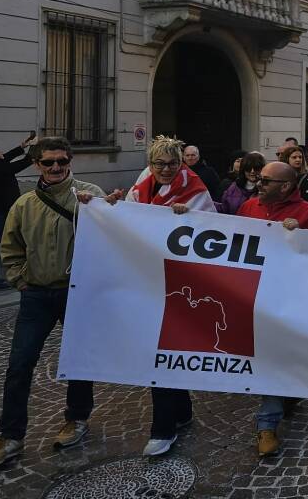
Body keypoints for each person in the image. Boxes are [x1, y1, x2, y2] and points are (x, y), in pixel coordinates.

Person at [0, 138, 118, 468]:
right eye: (47, 162)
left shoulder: (89, 193)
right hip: (37, 295)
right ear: (37, 164)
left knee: (79, 360)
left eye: (61, 161)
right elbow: (9, 246)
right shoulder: (25, 203)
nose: (55, 167)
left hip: (77, 294)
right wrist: (19, 279)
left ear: (69, 161)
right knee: (19, 365)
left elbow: (114, 235)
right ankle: (10, 436)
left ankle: (77, 418)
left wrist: (102, 208)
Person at [126, 136, 215, 456]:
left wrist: (187, 219)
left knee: (163, 350)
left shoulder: (196, 190)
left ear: (182, 163)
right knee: (159, 349)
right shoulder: (142, 188)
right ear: (150, 165)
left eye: (172, 163)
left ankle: (163, 429)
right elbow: (127, 221)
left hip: (182, 286)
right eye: (159, 164)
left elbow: (210, 230)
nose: (165, 170)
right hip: (149, 282)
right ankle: (180, 409)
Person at [236, 161, 308, 458]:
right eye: (258, 180)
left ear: (285, 186)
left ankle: (280, 406)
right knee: (269, 358)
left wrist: (302, 237)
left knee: (282, 356)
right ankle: (267, 425)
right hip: (255, 298)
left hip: (290, 301)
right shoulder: (248, 207)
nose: (257, 184)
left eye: (265, 181)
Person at [0, 135, 37, 289]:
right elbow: (25, 162)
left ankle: (4, 275)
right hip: (4, 212)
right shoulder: (0, 167)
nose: (1, 151)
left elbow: (6, 157)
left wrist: (22, 146)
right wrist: (34, 148)